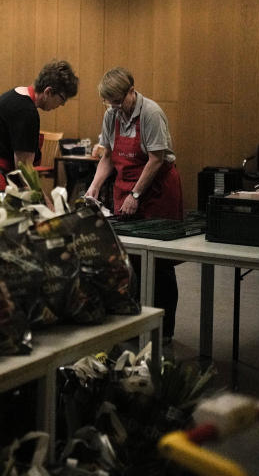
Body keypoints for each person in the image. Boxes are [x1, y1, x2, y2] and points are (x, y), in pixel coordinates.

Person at [85, 67, 183, 342]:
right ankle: (135, 324)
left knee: (160, 263)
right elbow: (107, 157)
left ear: (131, 91)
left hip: (156, 190)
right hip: (125, 186)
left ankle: (164, 330)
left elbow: (156, 159)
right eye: (110, 102)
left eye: (119, 100)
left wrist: (136, 195)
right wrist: (94, 187)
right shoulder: (111, 115)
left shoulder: (151, 113)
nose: (115, 107)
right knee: (130, 258)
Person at [0, 59, 79, 192]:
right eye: (62, 99)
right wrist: (43, 199)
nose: (62, 104)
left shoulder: (16, 95)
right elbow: (23, 170)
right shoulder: (26, 112)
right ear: (48, 92)